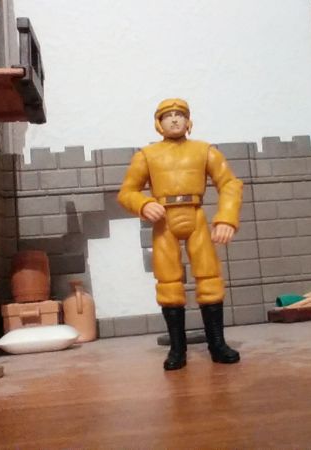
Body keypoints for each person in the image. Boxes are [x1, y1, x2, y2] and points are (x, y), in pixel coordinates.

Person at [117, 98, 243, 370]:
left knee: (210, 278)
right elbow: (127, 192)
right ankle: (177, 348)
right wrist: (143, 204)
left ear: (189, 121)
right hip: (164, 221)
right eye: (167, 115)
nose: (174, 119)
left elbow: (229, 183)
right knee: (168, 283)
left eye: (180, 114)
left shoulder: (205, 151)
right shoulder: (146, 155)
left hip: (195, 216)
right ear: (158, 123)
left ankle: (217, 344)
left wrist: (226, 218)